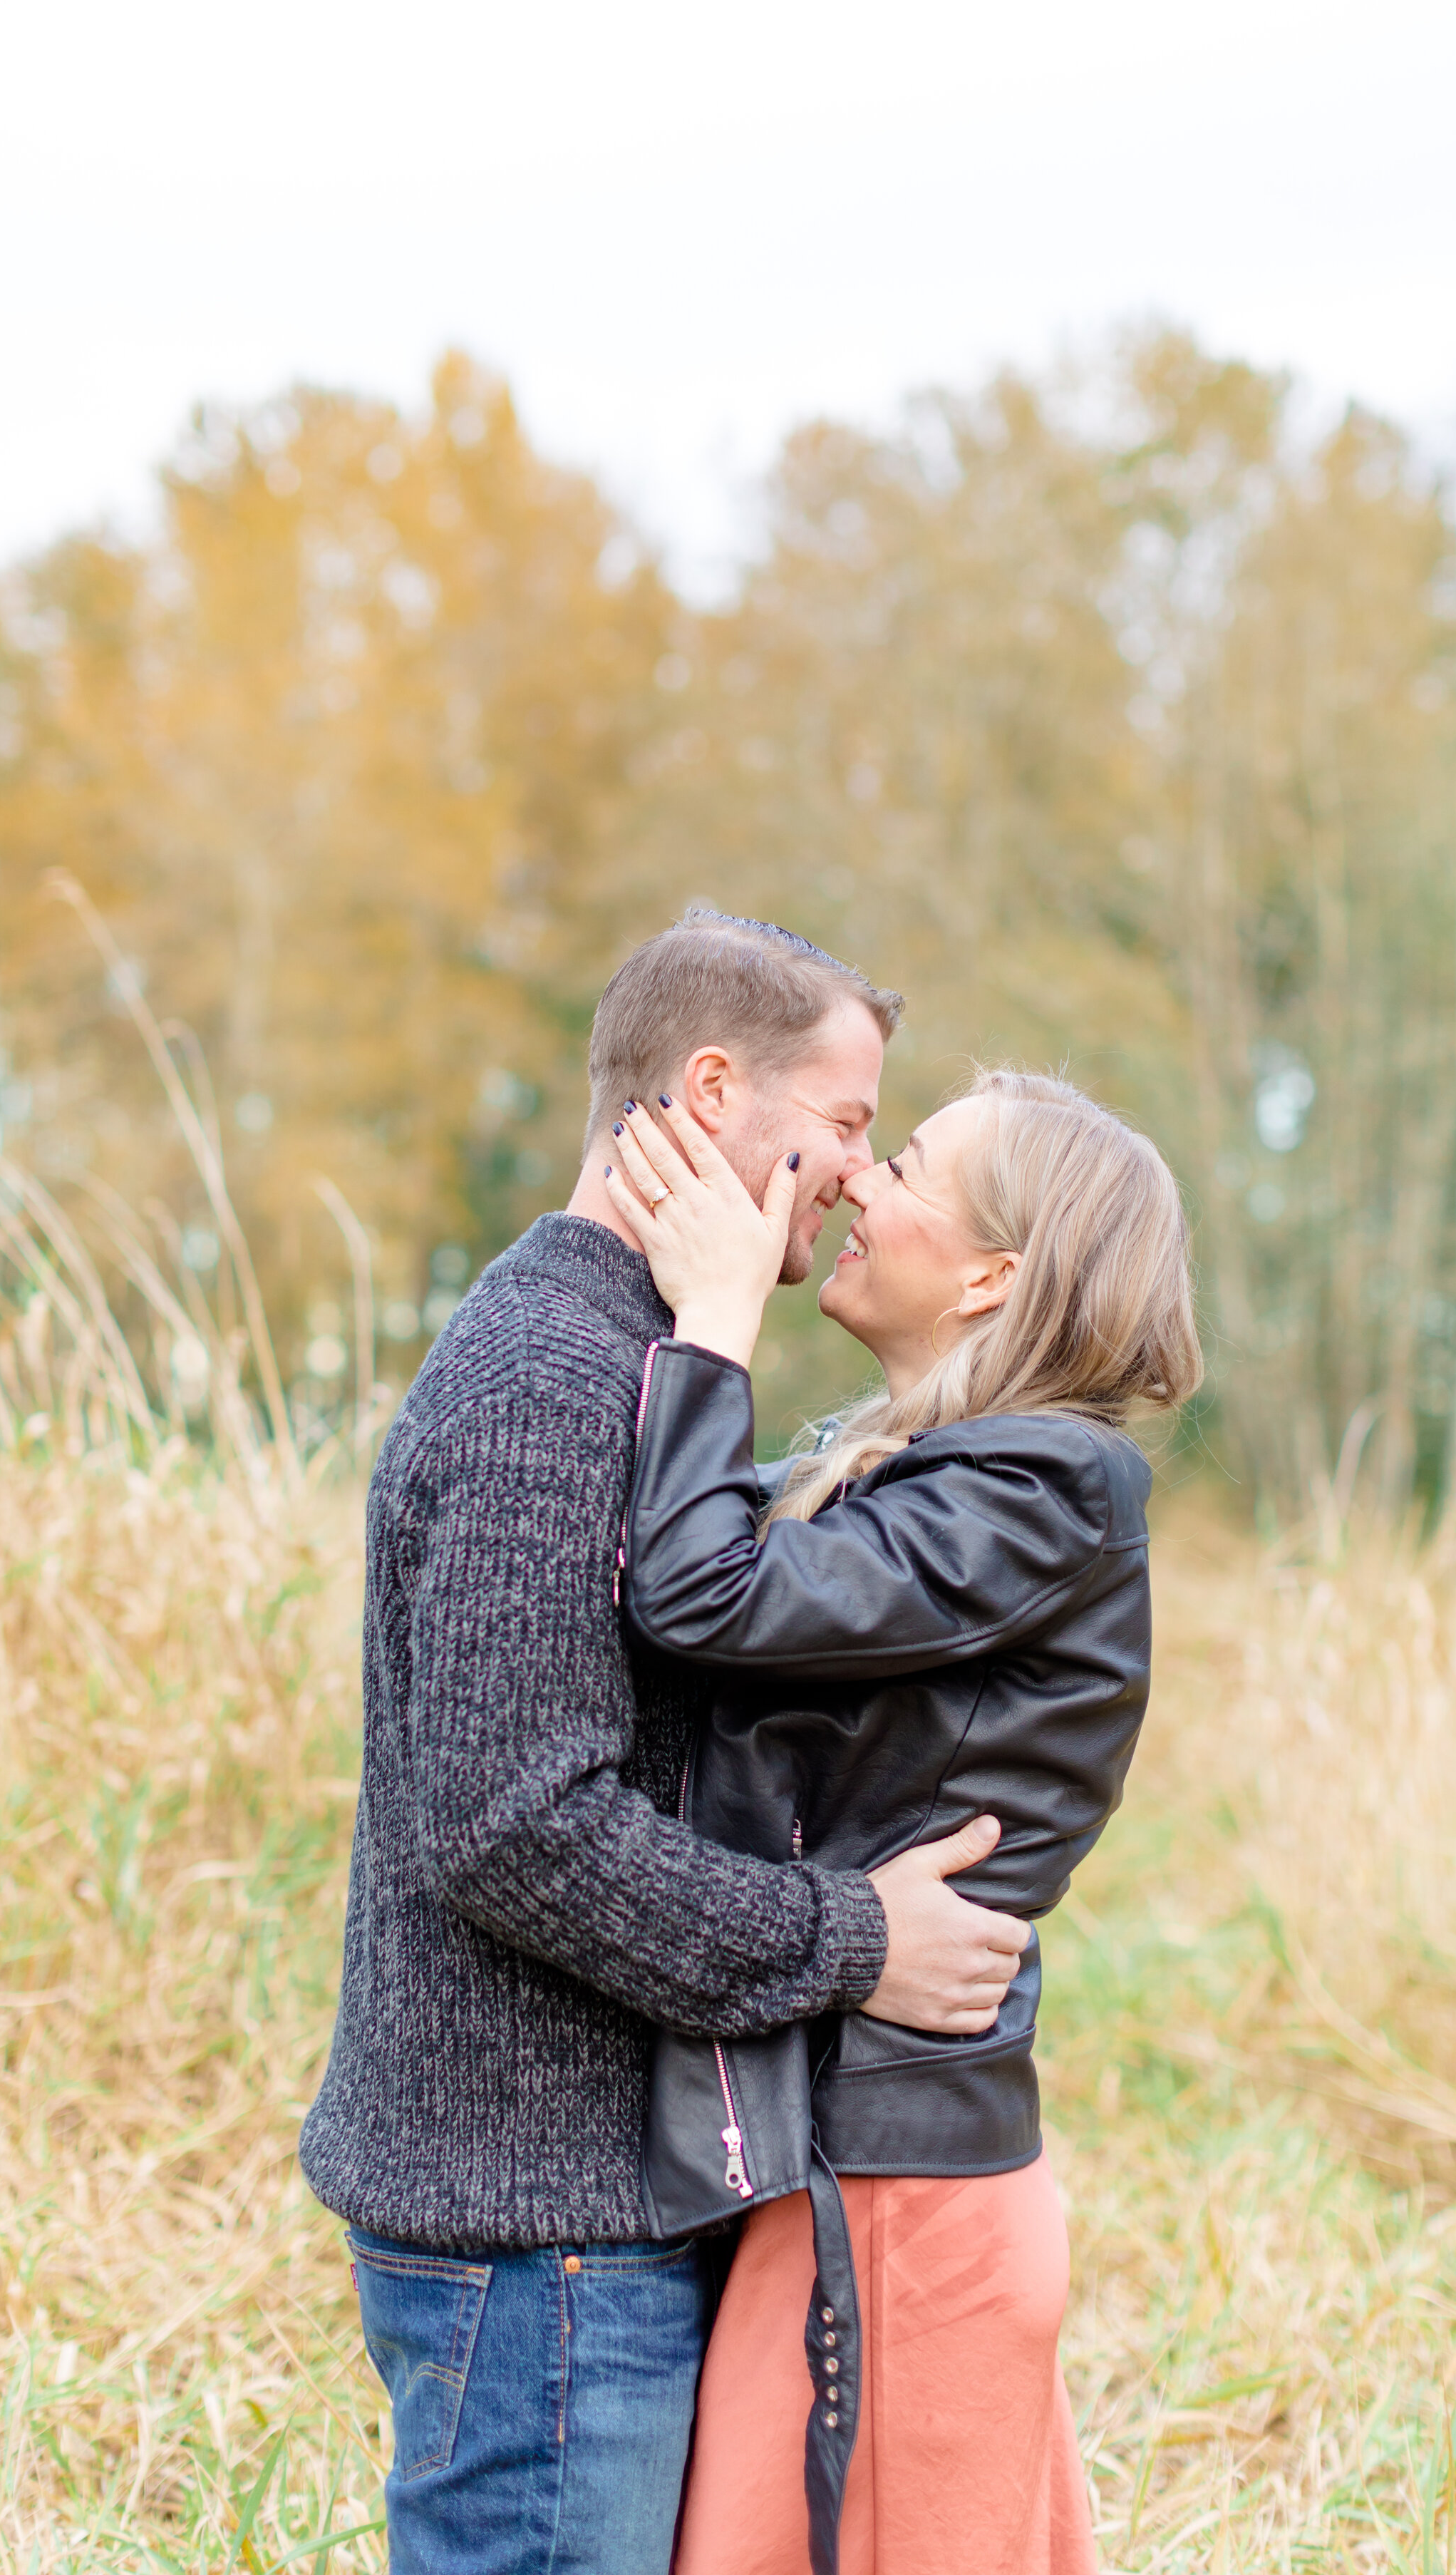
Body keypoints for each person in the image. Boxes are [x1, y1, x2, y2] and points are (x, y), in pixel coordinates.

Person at [298, 910, 1033, 2575]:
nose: (854, 1173)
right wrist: (856, 1942)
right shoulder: (555, 1381)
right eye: (844, 1122)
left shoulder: (641, 1357)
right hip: (536, 2236)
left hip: (577, 2222)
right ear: (711, 1091)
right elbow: (511, 1823)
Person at [604, 1066, 1204, 2575]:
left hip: (896, 2199)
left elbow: (703, 1595)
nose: (857, 1182)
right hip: (849, 2166)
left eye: (908, 1164)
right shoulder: (937, 1471)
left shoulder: (1044, 1485)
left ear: (995, 1272)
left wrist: (711, 1327)